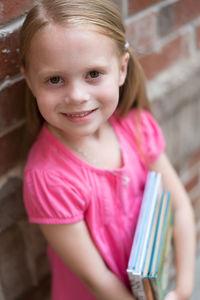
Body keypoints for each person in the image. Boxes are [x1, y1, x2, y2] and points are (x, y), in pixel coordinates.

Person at [20, 0, 196, 299]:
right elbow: (95, 277)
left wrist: (184, 287)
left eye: (93, 74)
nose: (76, 96)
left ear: (122, 69)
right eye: (54, 79)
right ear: (29, 80)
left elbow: (178, 206)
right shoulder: (49, 178)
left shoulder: (136, 127)